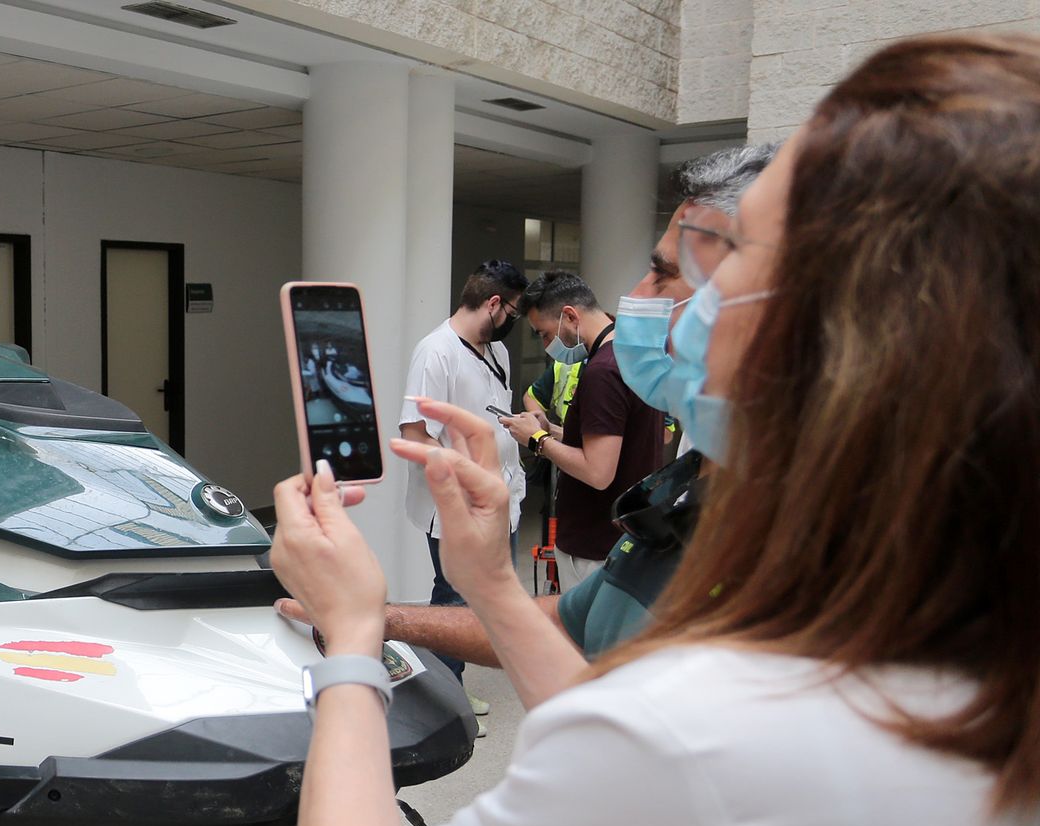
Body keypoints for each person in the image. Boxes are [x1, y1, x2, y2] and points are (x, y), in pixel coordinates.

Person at [272, 33, 1040, 826]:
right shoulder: (969, 654)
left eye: (725, 263)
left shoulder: (707, 737)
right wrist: (488, 580)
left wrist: (351, 644)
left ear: (842, 328)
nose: (670, 302)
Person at [275, 143, 774, 691]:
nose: (635, 295)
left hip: (544, 513)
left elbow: (589, 714)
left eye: (661, 273)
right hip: (499, 512)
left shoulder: (778, 590)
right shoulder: (685, 499)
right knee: (454, 591)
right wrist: (392, 614)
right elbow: (567, 626)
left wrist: (351, 655)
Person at [397, 260, 527, 693]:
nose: (513, 321)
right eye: (513, 311)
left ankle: (454, 688)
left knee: (487, 599)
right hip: (456, 504)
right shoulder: (436, 352)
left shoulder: (496, 352)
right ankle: (444, 697)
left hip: (501, 498)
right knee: (455, 599)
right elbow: (415, 435)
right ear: (493, 303)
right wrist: (470, 474)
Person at [502, 271, 662, 592]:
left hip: (596, 549)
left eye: (545, 334)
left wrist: (537, 441)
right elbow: (614, 441)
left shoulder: (603, 372)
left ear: (571, 316)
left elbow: (598, 471)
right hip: (626, 539)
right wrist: (553, 431)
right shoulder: (631, 352)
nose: (546, 346)